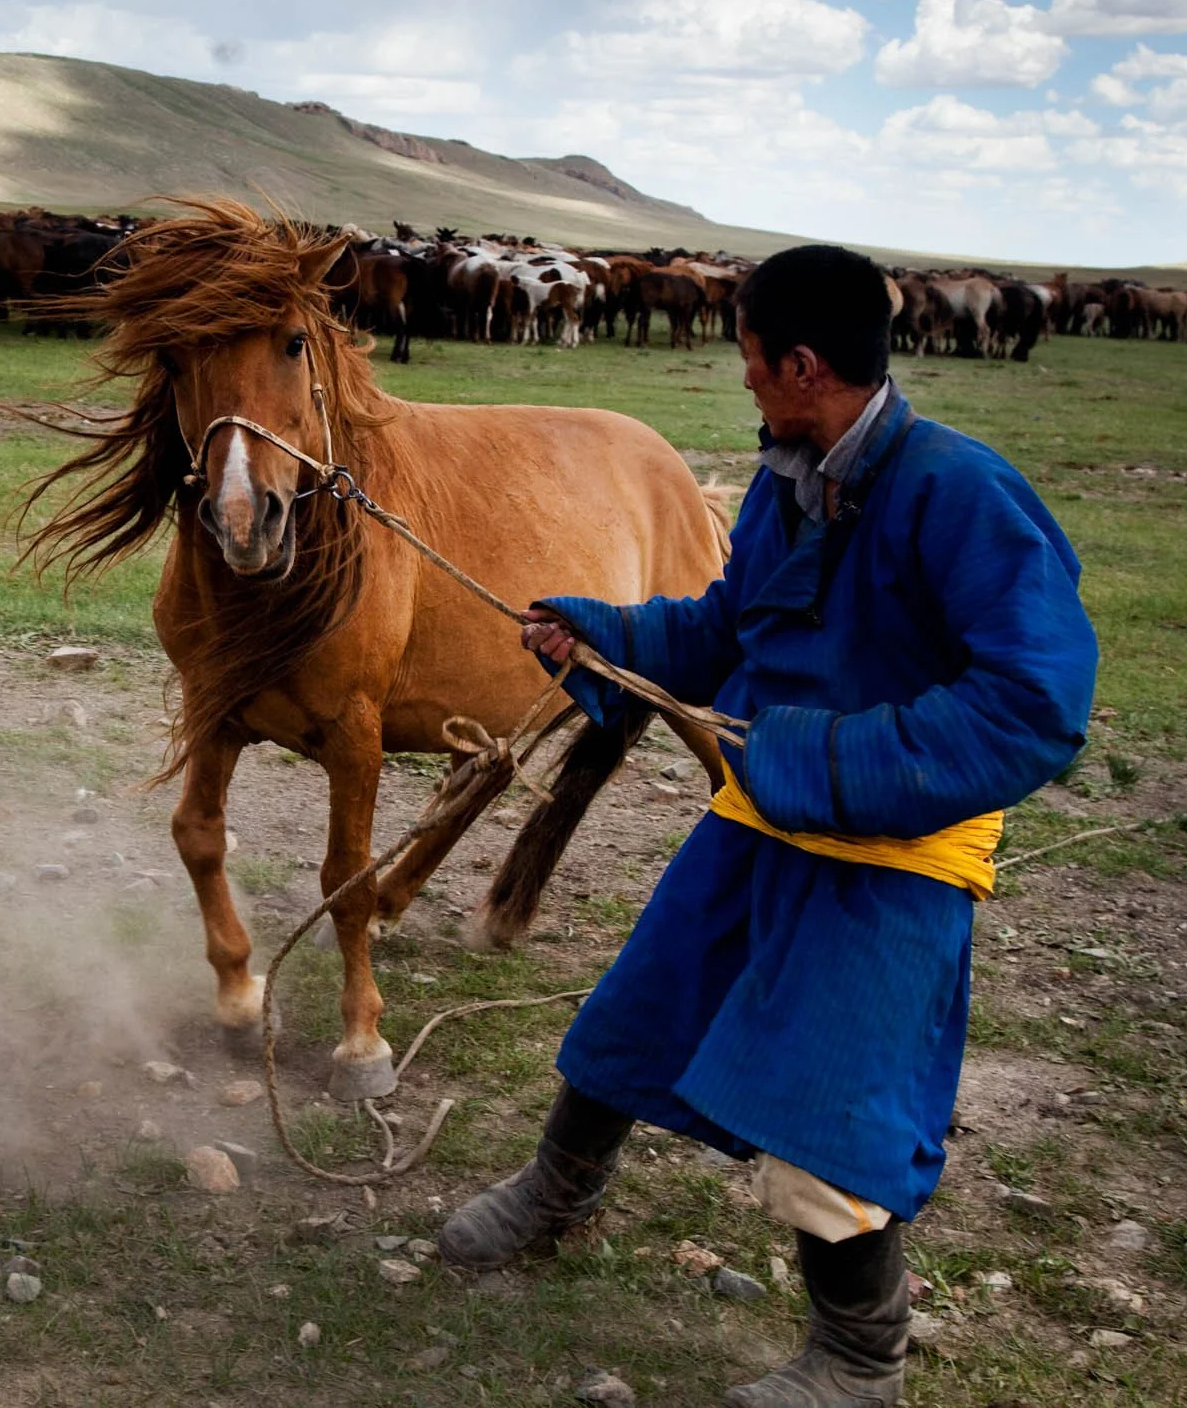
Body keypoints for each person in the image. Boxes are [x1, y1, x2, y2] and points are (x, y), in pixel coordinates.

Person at [438, 245, 1099, 1408]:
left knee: (830, 1111)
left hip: (895, 857)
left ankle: (858, 1359)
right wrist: (604, 636)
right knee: (630, 1019)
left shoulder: (963, 494)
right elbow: (725, 627)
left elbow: (1033, 704)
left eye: (747, 355)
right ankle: (559, 1194)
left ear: (801, 364)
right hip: (762, 818)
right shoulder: (787, 479)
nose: (739, 375)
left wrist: (820, 754)